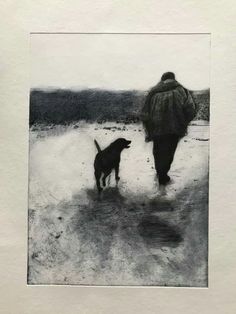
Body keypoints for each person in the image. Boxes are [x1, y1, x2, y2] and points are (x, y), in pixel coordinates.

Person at [141, 72, 196, 191]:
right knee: (169, 152)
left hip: (156, 128)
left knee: (158, 152)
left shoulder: (153, 93)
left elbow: (144, 114)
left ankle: (160, 174)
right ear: (173, 79)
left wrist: (149, 126)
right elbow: (191, 110)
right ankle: (163, 175)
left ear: (162, 80)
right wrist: (183, 121)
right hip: (174, 128)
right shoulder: (182, 91)